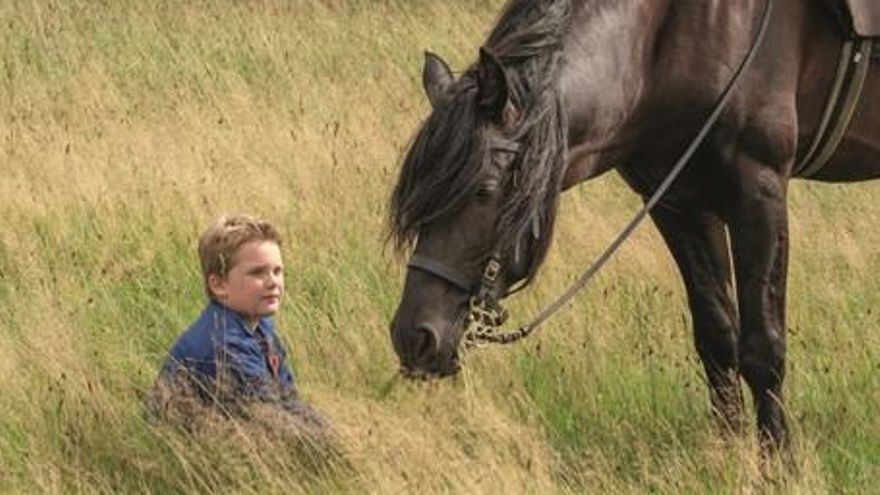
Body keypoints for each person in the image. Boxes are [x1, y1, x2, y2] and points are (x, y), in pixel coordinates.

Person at [149, 214, 326, 437]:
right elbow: (274, 423)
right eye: (257, 273)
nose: (273, 282)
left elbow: (288, 398)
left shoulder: (260, 325)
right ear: (220, 285)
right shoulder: (226, 344)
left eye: (277, 271)